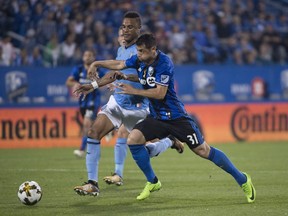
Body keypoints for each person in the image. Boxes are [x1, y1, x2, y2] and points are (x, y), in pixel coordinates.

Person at [75, 33, 256, 203]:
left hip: (176, 118)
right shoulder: (141, 60)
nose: (138, 55)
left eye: (142, 51)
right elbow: (120, 65)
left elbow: (160, 93)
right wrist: (98, 64)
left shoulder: (164, 63)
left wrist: (133, 90)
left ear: (153, 50)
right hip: (156, 117)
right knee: (133, 140)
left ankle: (242, 179)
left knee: (203, 151)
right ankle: (153, 181)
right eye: (137, 51)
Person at [73, 12, 184, 196]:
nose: (125, 30)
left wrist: (99, 65)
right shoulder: (122, 48)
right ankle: (93, 183)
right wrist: (92, 86)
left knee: (145, 150)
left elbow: (147, 81)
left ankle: (168, 141)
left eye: (130, 26)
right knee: (93, 132)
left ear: (139, 29)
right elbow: (114, 73)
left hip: (138, 107)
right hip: (117, 101)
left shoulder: (142, 52)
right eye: (123, 26)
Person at [66, 50, 102, 158]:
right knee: (92, 128)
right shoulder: (79, 69)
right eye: (85, 55)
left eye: (89, 55)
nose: (87, 57)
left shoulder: (98, 69)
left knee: (87, 124)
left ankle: (82, 149)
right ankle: (96, 149)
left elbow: (107, 80)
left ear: (94, 57)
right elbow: (68, 82)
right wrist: (76, 83)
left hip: (94, 100)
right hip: (82, 101)